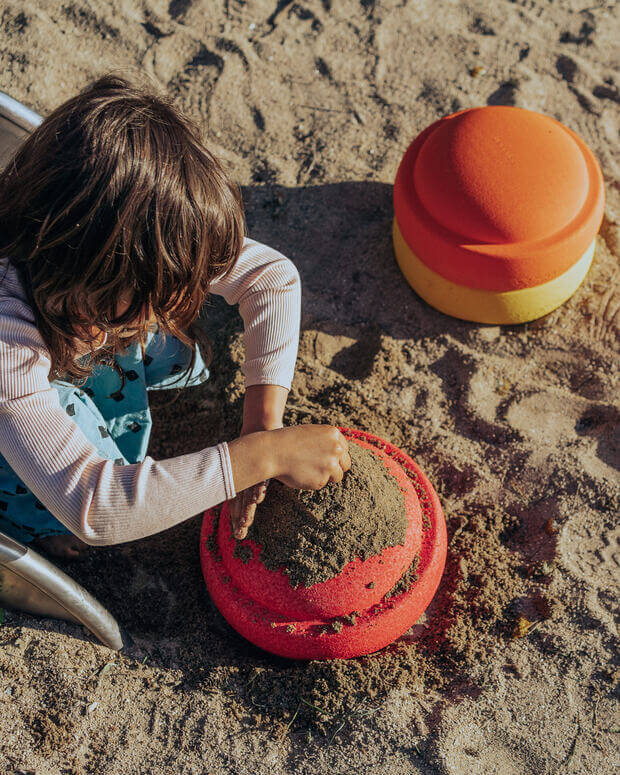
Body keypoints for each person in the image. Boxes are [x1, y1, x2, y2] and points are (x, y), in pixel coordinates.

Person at [0, 75, 351, 559]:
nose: (170, 309)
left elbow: (271, 278)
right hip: (13, 415)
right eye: (152, 298)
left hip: (68, 323)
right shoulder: (6, 341)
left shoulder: (92, 247)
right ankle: (30, 524)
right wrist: (264, 456)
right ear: (96, 273)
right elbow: (96, 505)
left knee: (162, 342)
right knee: (55, 491)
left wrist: (263, 424)